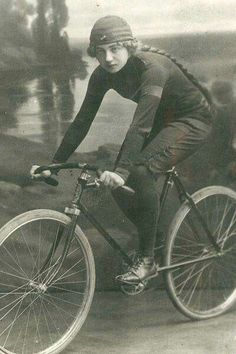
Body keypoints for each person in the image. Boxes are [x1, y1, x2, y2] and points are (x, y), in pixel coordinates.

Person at [31, 15, 213, 284]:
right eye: (101, 52)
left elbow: (140, 126)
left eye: (115, 49)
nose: (109, 58)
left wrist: (122, 170)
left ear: (128, 46)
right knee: (116, 182)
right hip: (161, 123)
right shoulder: (103, 75)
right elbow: (81, 121)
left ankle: (148, 260)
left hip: (191, 120)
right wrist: (55, 163)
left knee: (136, 171)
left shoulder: (152, 69)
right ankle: (155, 238)